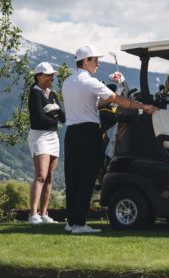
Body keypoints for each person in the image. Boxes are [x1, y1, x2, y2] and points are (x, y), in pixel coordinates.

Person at [62, 45, 158, 234]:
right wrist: (143, 106)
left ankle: (71, 221)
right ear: (85, 61)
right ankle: (80, 225)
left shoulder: (68, 82)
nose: (98, 63)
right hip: (88, 133)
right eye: (95, 59)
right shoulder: (90, 82)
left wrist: (105, 100)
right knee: (87, 178)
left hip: (71, 134)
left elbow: (92, 104)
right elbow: (118, 100)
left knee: (72, 179)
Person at [27, 62, 65, 225]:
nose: (51, 78)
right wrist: (54, 117)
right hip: (39, 136)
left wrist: (54, 116)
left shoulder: (53, 94)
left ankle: (44, 214)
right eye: (48, 75)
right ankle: (33, 214)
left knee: (49, 177)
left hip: (52, 136)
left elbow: (62, 116)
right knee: (41, 175)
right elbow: (38, 118)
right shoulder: (34, 93)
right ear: (39, 76)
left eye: (52, 75)